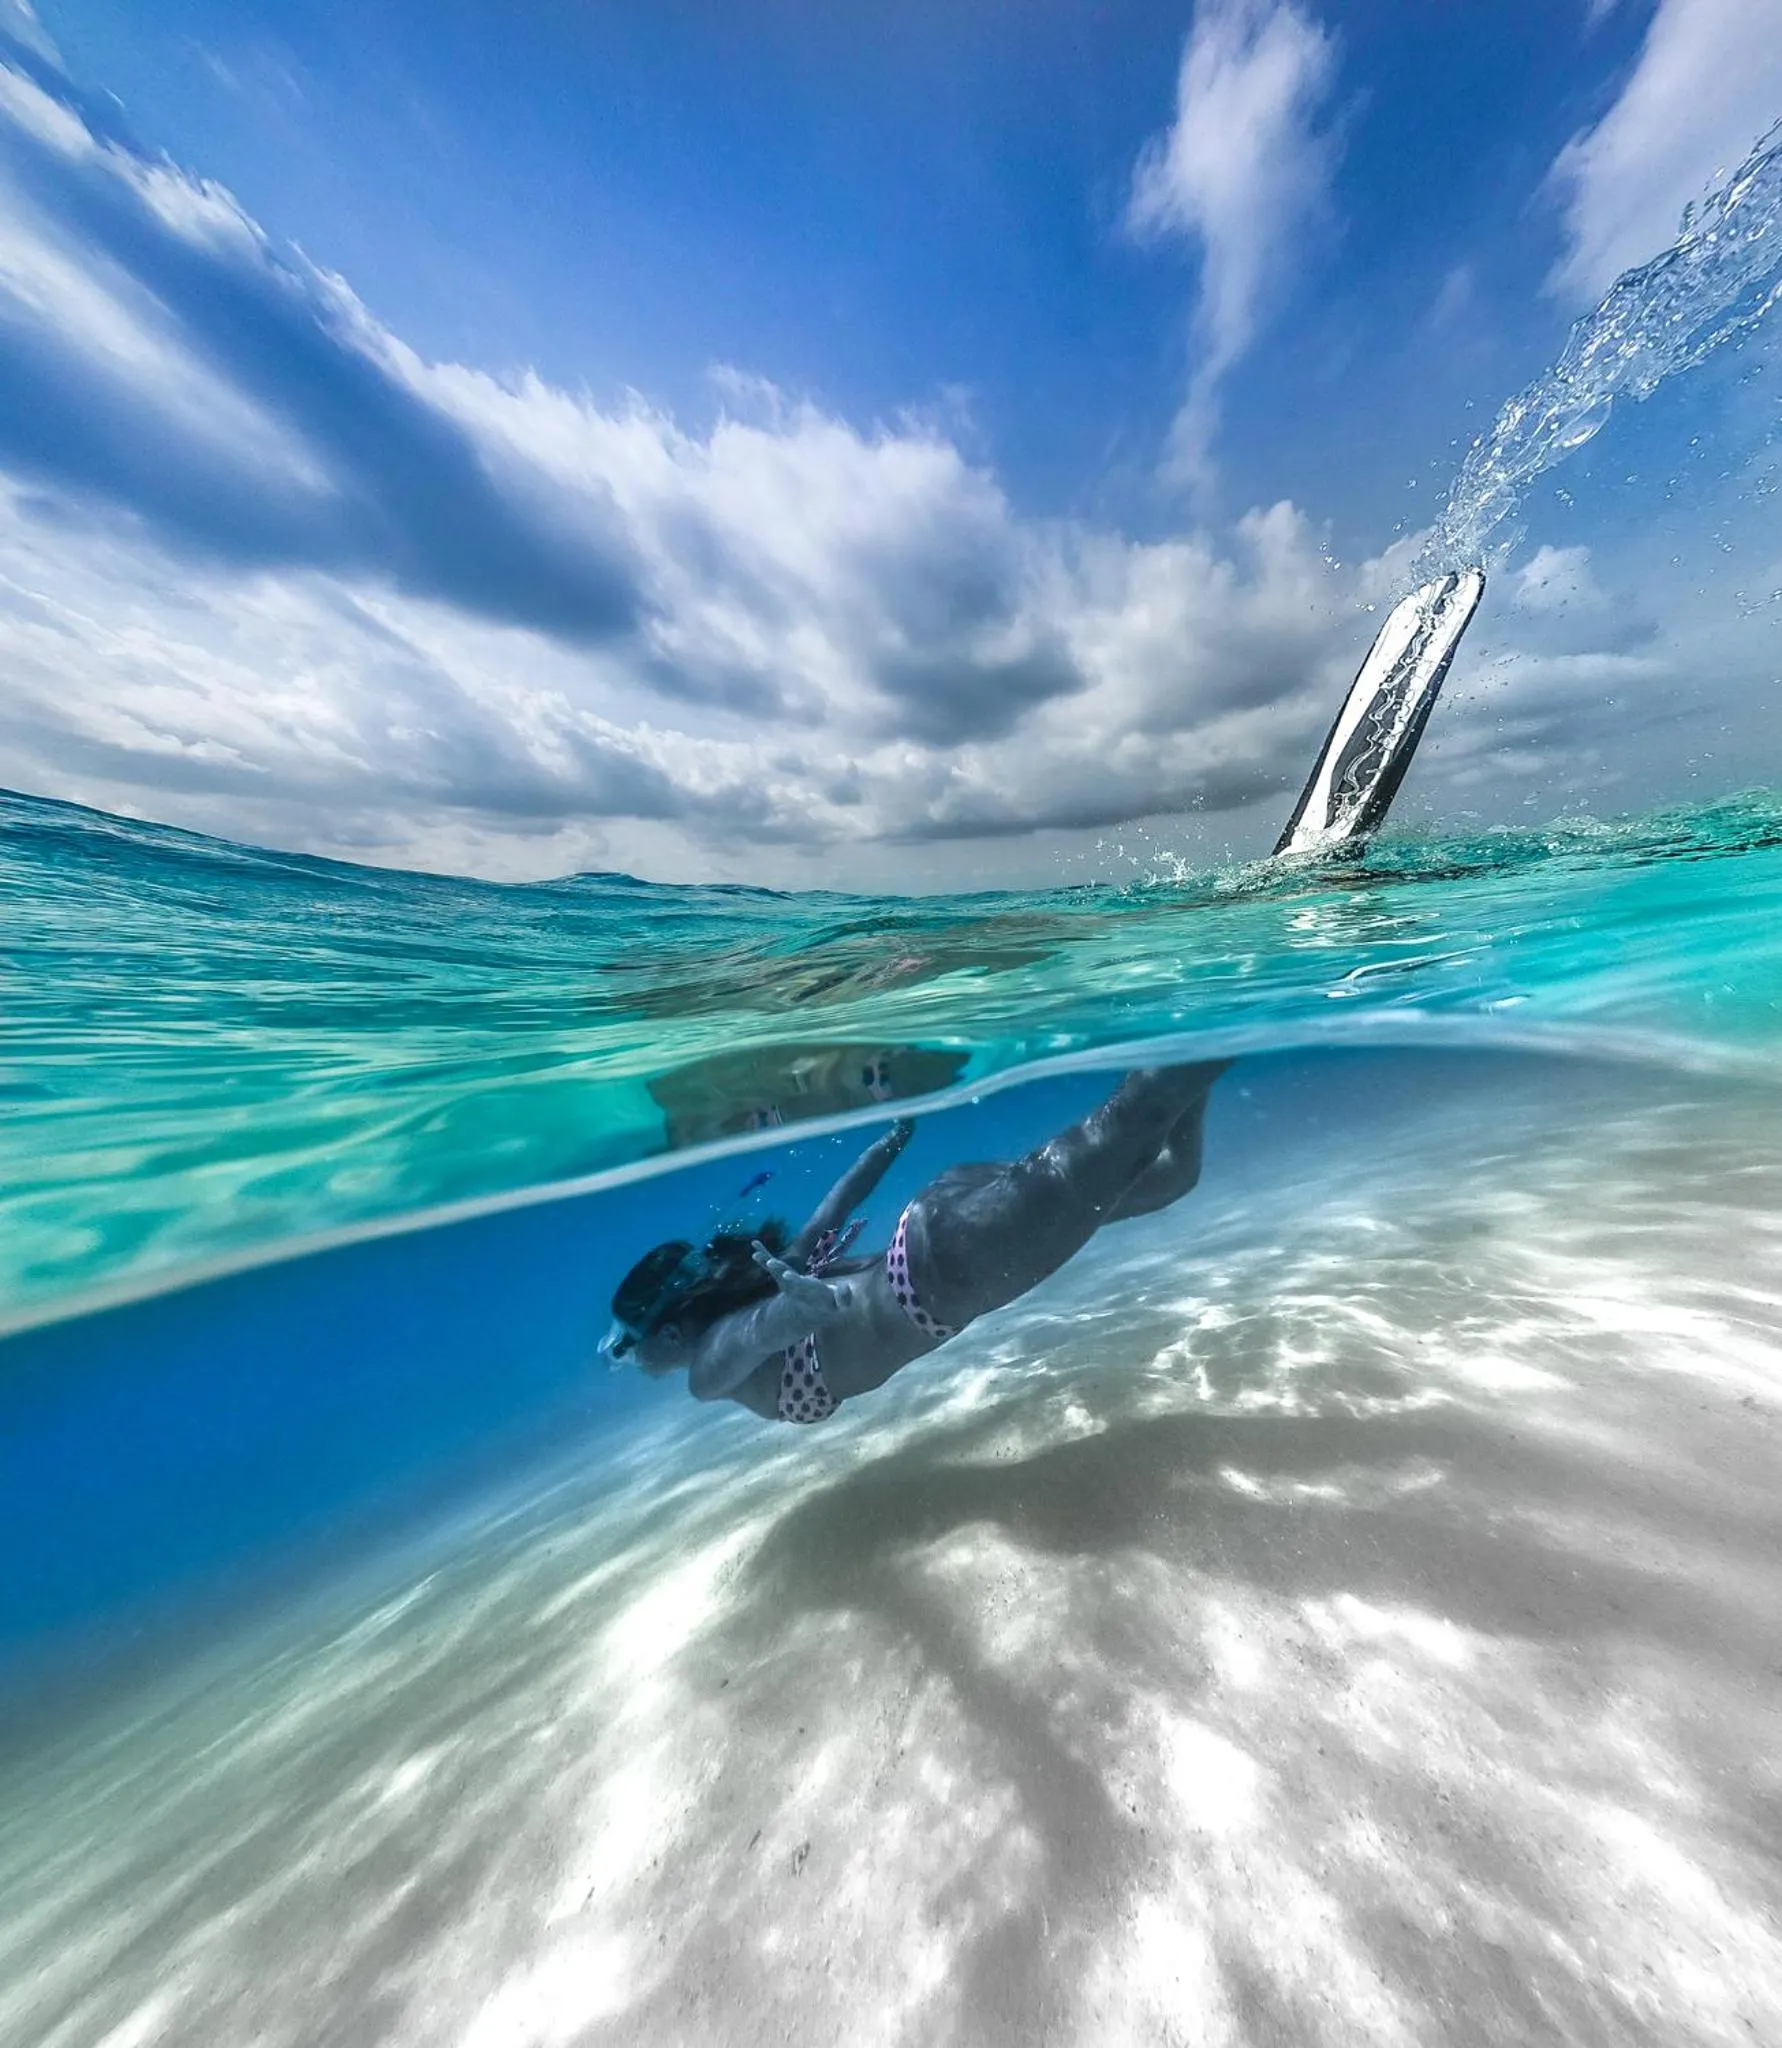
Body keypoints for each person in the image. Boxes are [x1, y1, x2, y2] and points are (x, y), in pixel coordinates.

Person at [602, 1060, 1228, 1424]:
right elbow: (833, 1209)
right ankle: (1205, 1041)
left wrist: (798, 1312)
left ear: (672, 1331)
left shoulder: (708, 1370)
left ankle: (1214, 998)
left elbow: (762, 1332)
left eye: (631, 1346)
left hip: (948, 1274)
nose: (634, 1360)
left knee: (1136, 1120)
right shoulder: (765, 1284)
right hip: (935, 1220)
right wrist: (890, 1143)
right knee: (1169, 1172)